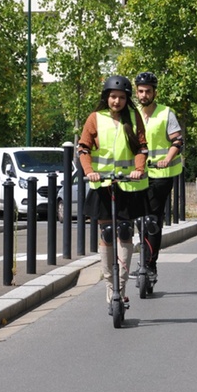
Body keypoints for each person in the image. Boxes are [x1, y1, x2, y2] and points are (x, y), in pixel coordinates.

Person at [77, 75, 149, 314]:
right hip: (103, 185)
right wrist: (90, 172)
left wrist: (139, 169)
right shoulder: (95, 118)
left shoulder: (133, 118)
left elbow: (141, 147)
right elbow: (84, 149)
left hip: (128, 185)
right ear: (106, 97)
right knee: (108, 233)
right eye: (112, 96)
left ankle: (121, 286)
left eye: (121, 97)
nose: (116, 101)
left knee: (126, 231)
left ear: (127, 99)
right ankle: (110, 287)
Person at [134, 71, 183, 284]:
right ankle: (144, 260)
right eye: (141, 91)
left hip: (161, 174)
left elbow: (177, 141)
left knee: (152, 220)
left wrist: (166, 158)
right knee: (139, 219)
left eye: (148, 91)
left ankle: (150, 265)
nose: (144, 95)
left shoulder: (166, 113)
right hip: (138, 174)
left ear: (155, 92)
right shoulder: (132, 113)